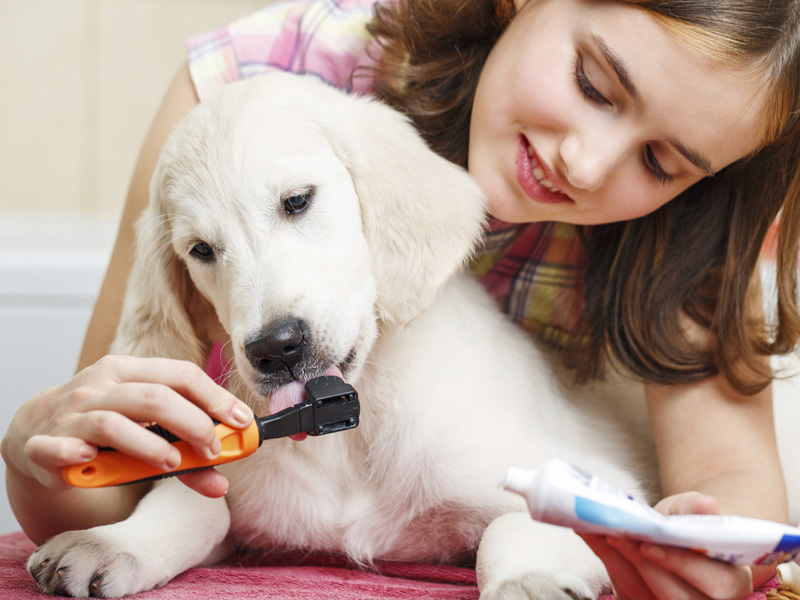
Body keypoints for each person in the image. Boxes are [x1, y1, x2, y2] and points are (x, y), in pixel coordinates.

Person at [3, 0, 799, 598]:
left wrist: (714, 550)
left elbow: (729, 481)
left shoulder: (681, 236)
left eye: (661, 160)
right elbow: (119, 454)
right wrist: (38, 452)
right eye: (592, 82)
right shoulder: (267, 89)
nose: (586, 166)